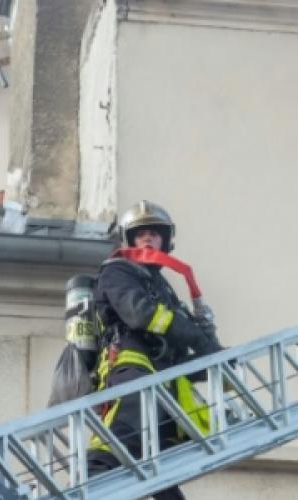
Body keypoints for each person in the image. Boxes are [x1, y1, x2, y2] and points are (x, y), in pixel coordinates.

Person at [87, 201, 221, 500]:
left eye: (154, 233)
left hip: (164, 383)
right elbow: (141, 314)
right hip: (132, 371)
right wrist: (191, 333)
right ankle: (92, 484)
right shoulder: (117, 270)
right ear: (129, 239)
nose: (148, 237)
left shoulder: (161, 286)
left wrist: (213, 351)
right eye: (141, 232)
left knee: (158, 460)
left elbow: (181, 339)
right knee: (124, 438)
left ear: (166, 239)